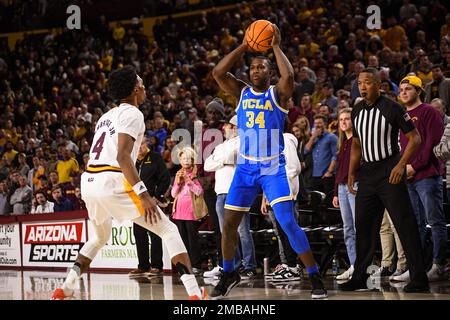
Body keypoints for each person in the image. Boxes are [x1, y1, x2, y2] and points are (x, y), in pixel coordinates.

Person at [52, 65, 205, 300]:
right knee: (168, 229)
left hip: (90, 181)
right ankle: (196, 295)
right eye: (142, 83)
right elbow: (122, 156)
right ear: (135, 89)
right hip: (111, 179)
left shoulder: (105, 117)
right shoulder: (133, 113)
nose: (144, 87)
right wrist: (144, 195)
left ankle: (65, 289)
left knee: (99, 237)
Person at [210, 24, 327, 299]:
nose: (256, 71)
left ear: (269, 72)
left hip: (273, 166)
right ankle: (229, 272)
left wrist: (274, 46)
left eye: (261, 68)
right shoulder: (241, 92)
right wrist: (243, 45)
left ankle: (314, 274)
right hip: (246, 167)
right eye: (253, 68)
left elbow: (290, 75)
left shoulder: (278, 93)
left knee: (287, 222)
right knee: (228, 224)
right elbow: (217, 72)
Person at [339, 68, 429, 292]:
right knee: (364, 226)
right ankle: (360, 276)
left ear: (379, 85)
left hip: (389, 169)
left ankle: (419, 278)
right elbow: (357, 145)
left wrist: (400, 165)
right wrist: (351, 173)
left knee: (404, 224)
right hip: (367, 174)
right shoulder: (357, 109)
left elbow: (415, 138)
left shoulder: (393, 107)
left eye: (367, 82)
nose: (362, 86)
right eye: (360, 83)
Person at [395, 75, 447, 282]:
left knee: (435, 221)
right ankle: (417, 266)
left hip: (427, 175)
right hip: (407, 177)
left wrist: (413, 166)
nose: (404, 92)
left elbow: (432, 146)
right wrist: (401, 167)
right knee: (415, 223)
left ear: (418, 91)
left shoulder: (429, 112)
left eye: (408, 89)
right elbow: (400, 147)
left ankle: (438, 264)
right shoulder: (401, 115)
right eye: (401, 89)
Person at [204, 115, 257, 279]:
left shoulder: (243, 142)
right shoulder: (220, 146)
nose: (223, 129)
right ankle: (234, 265)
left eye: (226, 126)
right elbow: (207, 165)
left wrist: (220, 160)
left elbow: (236, 158)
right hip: (220, 192)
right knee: (226, 232)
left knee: (242, 231)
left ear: (235, 127)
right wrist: (224, 160)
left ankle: (249, 266)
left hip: (237, 191)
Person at [128, 137, 170, 277]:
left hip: (151, 202)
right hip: (136, 204)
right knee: (139, 235)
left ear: (147, 144)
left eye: (142, 144)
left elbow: (165, 179)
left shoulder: (155, 158)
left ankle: (157, 266)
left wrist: (156, 197)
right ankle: (143, 266)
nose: (140, 147)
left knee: (155, 234)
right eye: (137, 145)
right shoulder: (131, 160)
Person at [332, 108, 357, 280]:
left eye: (347, 119)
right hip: (341, 188)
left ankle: (362, 264)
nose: (343, 122)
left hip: (354, 185)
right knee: (348, 228)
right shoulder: (342, 144)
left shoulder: (357, 140)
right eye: (341, 119)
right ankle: (354, 264)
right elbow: (339, 170)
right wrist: (335, 193)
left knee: (358, 226)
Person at [171, 147, 204, 274]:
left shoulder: (196, 174)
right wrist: (178, 183)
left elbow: (199, 192)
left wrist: (189, 181)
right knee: (182, 240)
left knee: (192, 240)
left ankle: (196, 265)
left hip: (191, 212)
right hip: (179, 212)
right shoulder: (178, 174)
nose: (185, 161)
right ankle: (185, 265)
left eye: (188, 158)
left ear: (192, 160)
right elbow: (174, 195)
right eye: (183, 158)